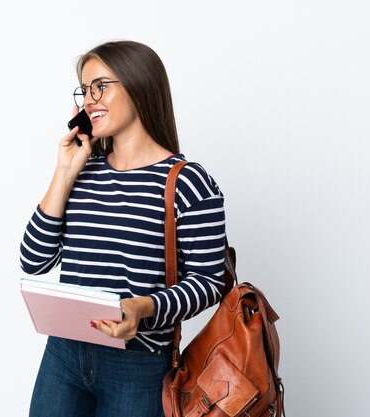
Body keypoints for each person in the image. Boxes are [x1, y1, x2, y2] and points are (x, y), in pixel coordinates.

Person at [19, 40, 226, 417]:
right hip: (63, 354)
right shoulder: (83, 172)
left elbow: (210, 282)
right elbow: (33, 260)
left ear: (139, 85)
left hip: (138, 367)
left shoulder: (188, 183)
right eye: (84, 90)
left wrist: (142, 308)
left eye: (100, 86)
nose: (89, 101)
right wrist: (65, 171)